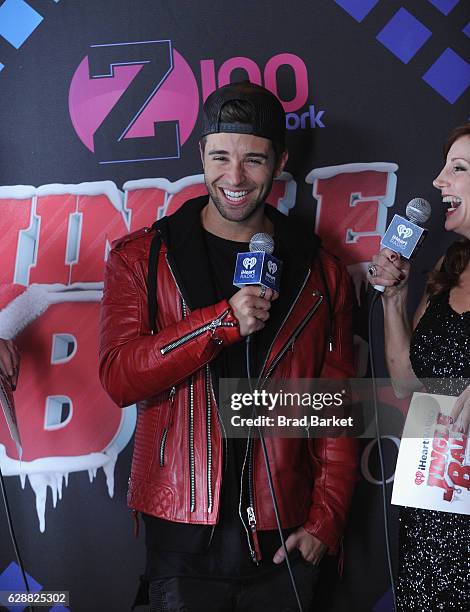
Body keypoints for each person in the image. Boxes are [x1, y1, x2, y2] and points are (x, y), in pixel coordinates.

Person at [99, 81, 358, 612]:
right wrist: (219, 323)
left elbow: (334, 407)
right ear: (201, 155)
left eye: (254, 160)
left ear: (280, 161)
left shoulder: (319, 271)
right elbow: (119, 377)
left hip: (283, 538)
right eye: (220, 157)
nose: (234, 178)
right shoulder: (143, 257)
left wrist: (325, 521)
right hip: (181, 533)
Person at [367, 123, 470, 610]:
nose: (438, 181)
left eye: (458, 169)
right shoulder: (451, 266)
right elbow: (408, 382)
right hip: (433, 519)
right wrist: (394, 298)